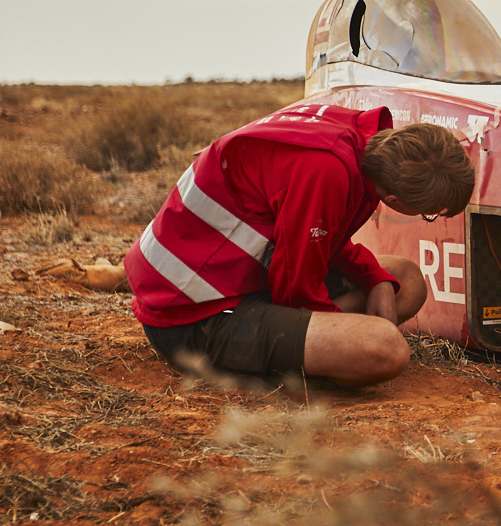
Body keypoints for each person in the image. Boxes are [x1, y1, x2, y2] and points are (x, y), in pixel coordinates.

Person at [126, 103, 475, 385]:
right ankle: (307, 366)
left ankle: (308, 352)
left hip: (240, 279)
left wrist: (377, 280)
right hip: (196, 315)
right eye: (427, 213)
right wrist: (348, 332)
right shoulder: (325, 171)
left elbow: (318, 244)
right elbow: (295, 290)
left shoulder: (355, 140)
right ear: (397, 199)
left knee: (405, 279)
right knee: (384, 348)